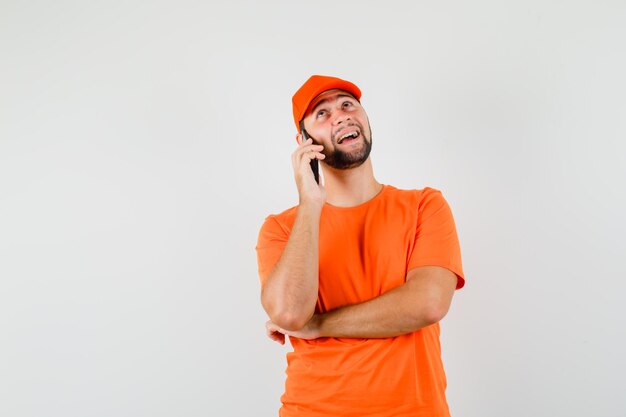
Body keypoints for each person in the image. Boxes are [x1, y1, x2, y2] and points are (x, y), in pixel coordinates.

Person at [255, 75, 465, 417]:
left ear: (365, 118)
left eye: (347, 104)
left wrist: (317, 325)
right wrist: (310, 203)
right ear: (304, 142)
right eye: (321, 114)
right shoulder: (281, 229)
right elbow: (290, 313)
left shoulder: (424, 206)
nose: (340, 115)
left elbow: (427, 303)